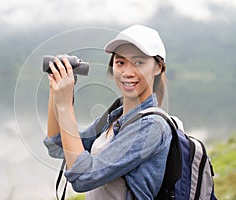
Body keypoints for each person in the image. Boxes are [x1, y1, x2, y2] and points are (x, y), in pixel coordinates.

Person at [44, 24, 172, 200]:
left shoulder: (151, 127)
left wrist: (66, 106)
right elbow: (57, 147)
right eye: (120, 62)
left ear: (158, 67)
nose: (127, 72)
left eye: (139, 62)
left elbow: (82, 178)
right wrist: (56, 90)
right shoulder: (114, 118)